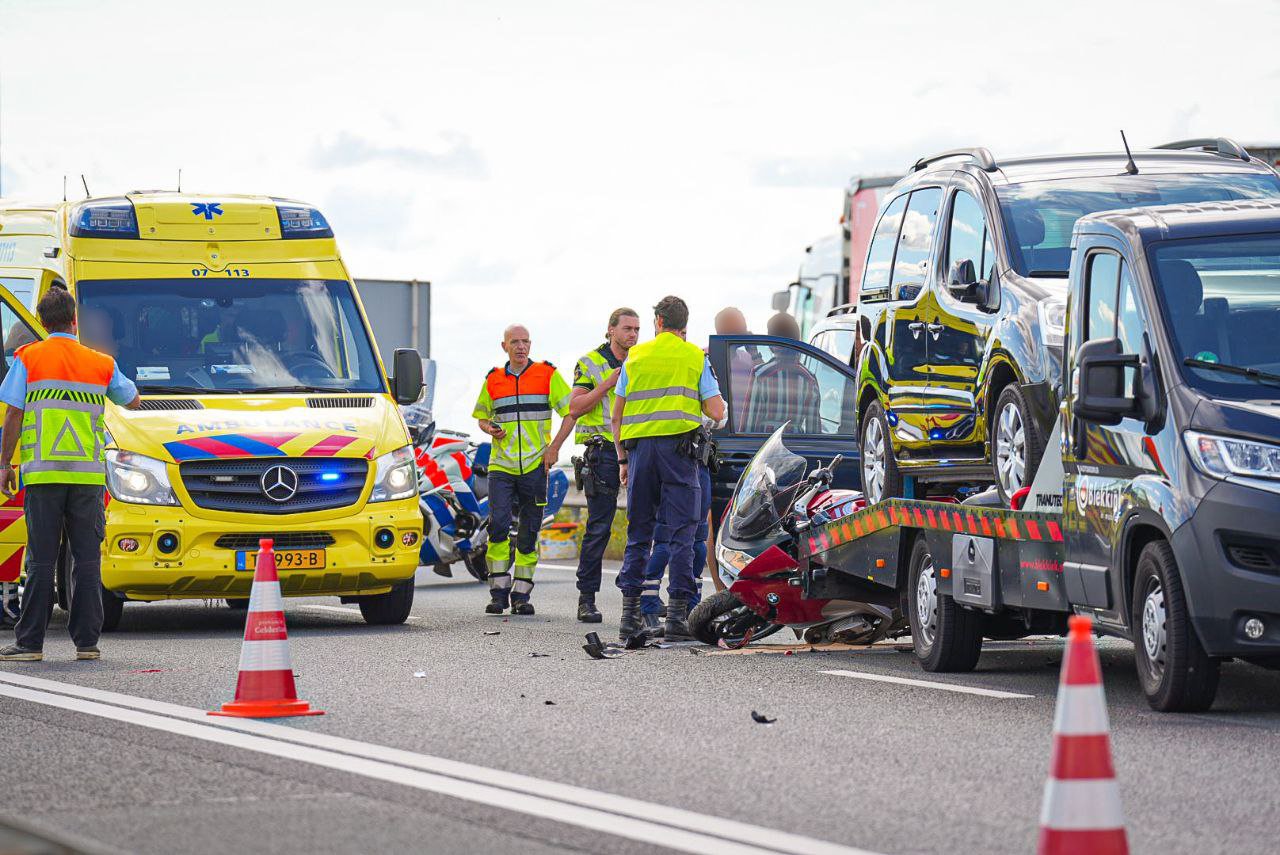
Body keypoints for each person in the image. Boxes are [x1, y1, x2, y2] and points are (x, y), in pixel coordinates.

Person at [0, 286, 141, 661]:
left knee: (41, 561)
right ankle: (87, 643)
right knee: (87, 561)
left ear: (43, 322)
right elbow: (132, 400)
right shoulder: (100, 362)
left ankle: (30, 644)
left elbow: (13, 413)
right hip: (87, 479)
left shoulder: (28, 358)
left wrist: (4, 464)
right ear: (74, 321)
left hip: (43, 477)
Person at [612, 296, 725, 641]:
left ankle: (629, 618)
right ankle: (677, 618)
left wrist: (623, 460)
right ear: (683, 324)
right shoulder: (694, 357)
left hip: (640, 454)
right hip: (679, 454)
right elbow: (716, 411)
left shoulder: (636, 356)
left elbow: (616, 415)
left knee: (638, 535)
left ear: (658, 321)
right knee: (682, 535)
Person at [472, 324, 574, 616]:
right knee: (498, 526)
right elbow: (481, 417)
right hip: (501, 466)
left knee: (529, 531)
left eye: (525, 341)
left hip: (535, 465)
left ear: (530, 344)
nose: (521, 347)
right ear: (504, 346)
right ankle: (498, 593)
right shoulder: (493, 379)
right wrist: (489, 428)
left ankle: (521, 595)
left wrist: (554, 448)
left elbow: (571, 413)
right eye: (515, 342)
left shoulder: (547, 374)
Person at [568, 307, 640, 623]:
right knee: (599, 527)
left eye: (637, 329)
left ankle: (637, 597)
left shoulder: (642, 360)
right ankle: (586, 598)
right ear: (611, 330)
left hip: (638, 449)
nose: (633, 335)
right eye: (627, 329)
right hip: (604, 453)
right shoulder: (591, 362)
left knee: (643, 526)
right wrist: (607, 384)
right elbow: (575, 407)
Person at [744, 312, 822, 434]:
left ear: (772, 343)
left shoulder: (760, 374)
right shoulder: (809, 379)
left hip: (765, 442)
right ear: (797, 340)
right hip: (797, 443)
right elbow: (814, 431)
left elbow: (749, 424)